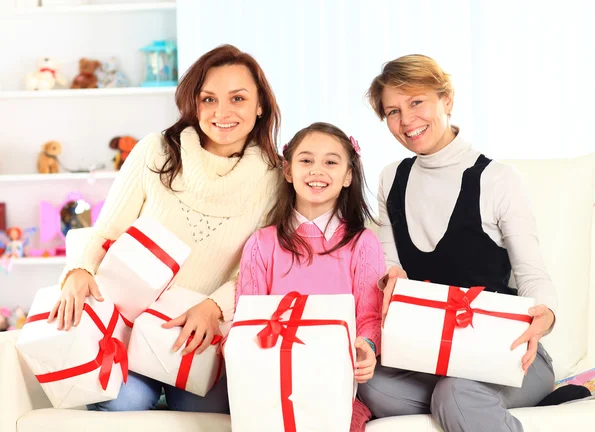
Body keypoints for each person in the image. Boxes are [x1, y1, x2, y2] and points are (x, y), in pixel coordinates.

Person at [47, 44, 281, 413]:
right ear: (194, 104)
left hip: (199, 340)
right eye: (208, 99)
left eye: (238, 98)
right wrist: (78, 269)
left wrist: (213, 307)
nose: (222, 112)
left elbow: (260, 270)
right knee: (121, 405)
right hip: (126, 329)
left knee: (211, 413)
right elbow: (105, 230)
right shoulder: (156, 151)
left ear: (260, 105)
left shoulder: (277, 178)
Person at [357, 54, 557, 432]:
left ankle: (475, 402)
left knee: (456, 393)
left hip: (509, 353)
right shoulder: (390, 178)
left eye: (417, 102)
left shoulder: (498, 179)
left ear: (446, 99)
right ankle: (475, 408)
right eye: (393, 111)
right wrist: (389, 277)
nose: (407, 120)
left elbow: (532, 272)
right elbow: (388, 260)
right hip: (433, 357)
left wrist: (545, 314)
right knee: (371, 386)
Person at [236, 122, 385, 431]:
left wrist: (367, 347)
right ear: (288, 171)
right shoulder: (261, 244)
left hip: (337, 384)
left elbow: (370, 315)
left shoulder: (363, 243)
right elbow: (247, 319)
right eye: (306, 160)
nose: (317, 171)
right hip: (271, 383)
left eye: (331, 162)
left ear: (348, 176)